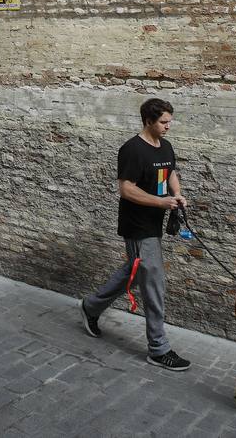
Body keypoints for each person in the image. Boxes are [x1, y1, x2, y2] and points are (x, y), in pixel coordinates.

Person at [80, 97, 190, 371]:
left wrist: (176, 195)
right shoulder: (131, 150)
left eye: (169, 122)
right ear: (148, 121)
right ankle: (158, 348)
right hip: (138, 227)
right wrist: (161, 201)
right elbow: (126, 189)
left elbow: (170, 172)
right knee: (153, 283)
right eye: (163, 122)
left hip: (155, 224)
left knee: (135, 270)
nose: (168, 127)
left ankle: (91, 307)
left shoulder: (165, 146)